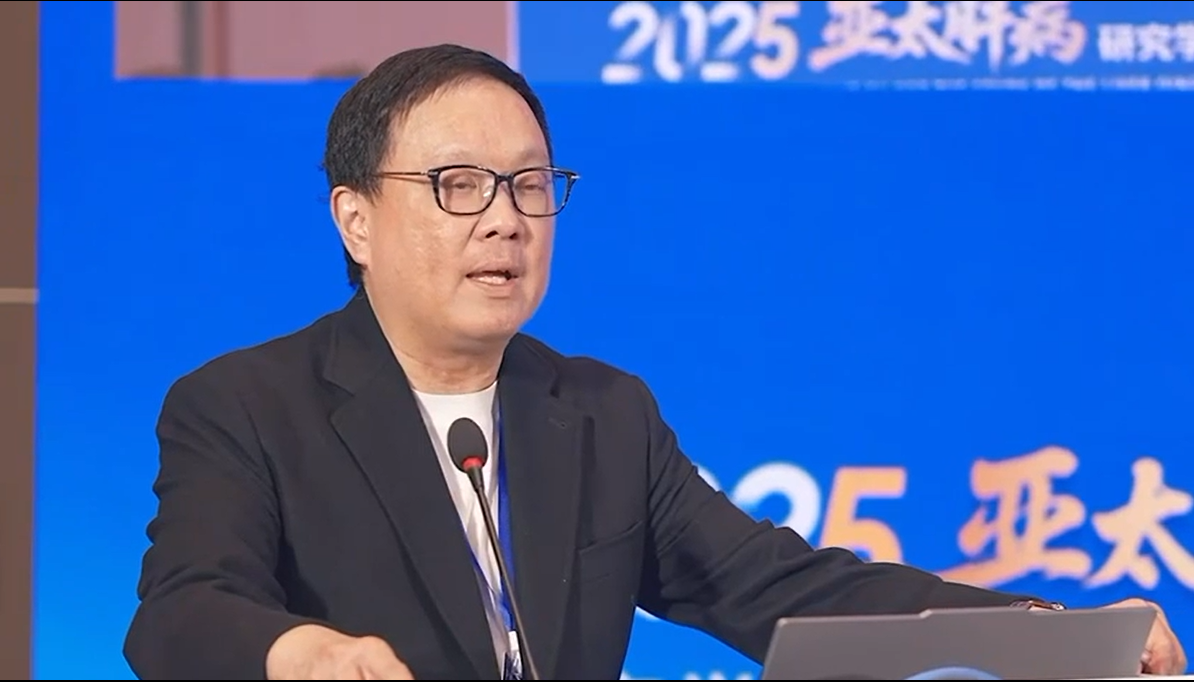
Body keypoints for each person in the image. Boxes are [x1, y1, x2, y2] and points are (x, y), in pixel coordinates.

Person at [122, 43, 1186, 681]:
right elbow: (177, 612)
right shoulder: (245, 405)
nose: (505, 220)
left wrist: (1048, 636)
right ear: (355, 218)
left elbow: (780, 589)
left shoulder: (598, 412)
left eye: (530, 185)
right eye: (459, 185)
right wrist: (299, 654)